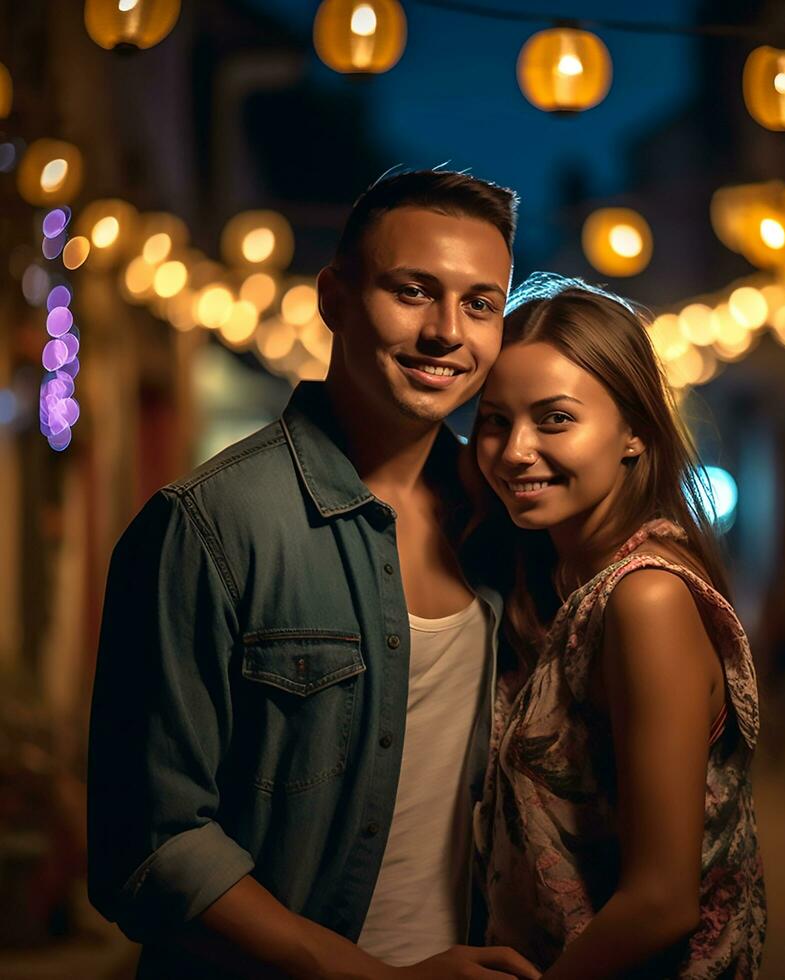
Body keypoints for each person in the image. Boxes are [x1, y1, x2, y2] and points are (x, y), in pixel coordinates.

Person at [87, 170, 540, 980]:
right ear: (333, 297)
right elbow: (149, 846)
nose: (448, 332)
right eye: (413, 291)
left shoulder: (499, 522)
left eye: (479, 304)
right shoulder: (208, 525)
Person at [469, 275, 767, 978]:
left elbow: (662, 903)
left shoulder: (645, 598)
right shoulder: (559, 580)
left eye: (555, 419)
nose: (514, 451)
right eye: (492, 421)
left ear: (634, 432)